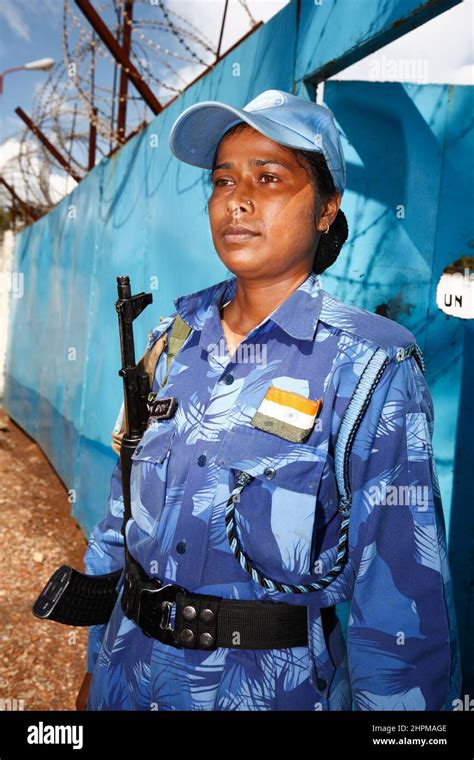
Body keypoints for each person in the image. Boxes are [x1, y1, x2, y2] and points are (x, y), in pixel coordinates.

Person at [78, 89, 461, 711]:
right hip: (128, 681)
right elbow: (117, 524)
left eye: (270, 177)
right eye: (223, 180)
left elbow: (399, 602)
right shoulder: (167, 344)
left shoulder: (369, 363)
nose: (239, 198)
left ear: (326, 210)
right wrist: (96, 666)